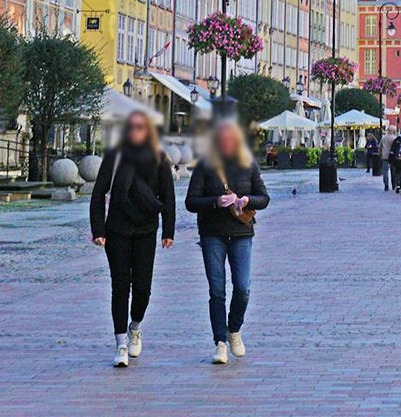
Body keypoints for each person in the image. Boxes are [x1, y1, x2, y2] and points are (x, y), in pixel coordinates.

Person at [90, 110, 176, 368]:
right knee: (120, 287)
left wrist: (168, 231)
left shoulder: (158, 158)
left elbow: (168, 196)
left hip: (146, 230)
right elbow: (98, 194)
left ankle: (135, 327)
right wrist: (98, 231)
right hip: (116, 230)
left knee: (142, 289)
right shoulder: (115, 157)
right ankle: (120, 344)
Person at [184, 115, 270, 366]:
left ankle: (234, 329)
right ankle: (220, 342)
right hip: (212, 233)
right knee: (217, 289)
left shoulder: (248, 164)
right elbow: (190, 202)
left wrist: (247, 201)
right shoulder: (205, 166)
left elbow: (263, 198)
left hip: (241, 234)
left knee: (243, 287)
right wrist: (214, 202)